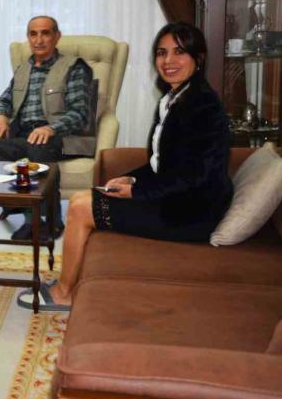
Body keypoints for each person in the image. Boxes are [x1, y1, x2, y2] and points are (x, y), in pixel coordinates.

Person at [17, 22, 234, 311]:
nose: (168, 61)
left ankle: (64, 293)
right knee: (83, 198)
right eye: (162, 53)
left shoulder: (202, 106)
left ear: (199, 58)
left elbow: (194, 175)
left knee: (81, 208)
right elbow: (161, 162)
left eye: (179, 52)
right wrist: (130, 180)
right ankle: (69, 281)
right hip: (175, 200)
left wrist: (137, 192)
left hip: (189, 214)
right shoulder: (175, 98)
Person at [0, 15, 94, 239]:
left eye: (45, 33)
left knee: (39, 148)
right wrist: (0, 117)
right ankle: (18, 205)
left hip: (65, 136)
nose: (39, 40)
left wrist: (51, 128)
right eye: (33, 34)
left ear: (57, 36)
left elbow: (80, 114)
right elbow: (3, 100)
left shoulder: (74, 67)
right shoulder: (23, 69)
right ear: (28, 38)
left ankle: (49, 221)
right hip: (26, 135)